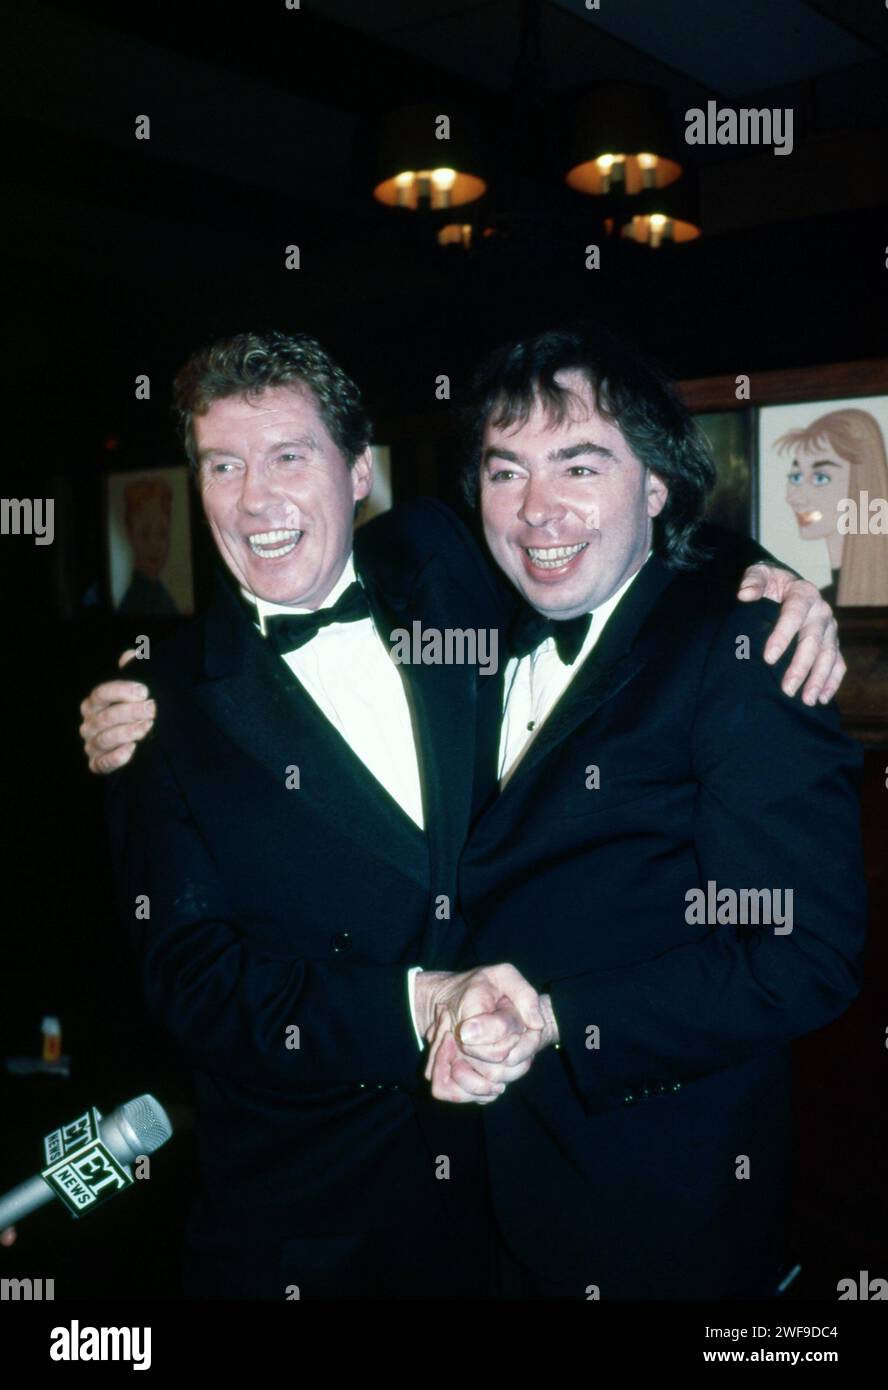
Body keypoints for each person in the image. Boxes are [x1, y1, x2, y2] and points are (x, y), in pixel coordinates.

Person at [80, 326, 845, 1300]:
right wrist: (419, 1005)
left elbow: (608, 539)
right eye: (223, 465)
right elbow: (191, 983)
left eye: (289, 456)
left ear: (360, 473)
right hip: (315, 1215)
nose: (257, 499)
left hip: (543, 1193)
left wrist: (763, 576)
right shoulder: (160, 709)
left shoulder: (440, 564)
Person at [419, 327, 867, 1298]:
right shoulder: (474, 640)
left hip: (655, 1225)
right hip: (472, 1206)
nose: (538, 510)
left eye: (579, 465)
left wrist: (563, 1020)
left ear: (654, 486)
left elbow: (804, 953)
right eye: (507, 473)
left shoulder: (746, 645)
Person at [778, 407, 888, 605]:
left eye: (820, 478)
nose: (795, 497)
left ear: (863, 482)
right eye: (795, 477)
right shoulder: (818, 604)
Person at [117, 477, 179, 616]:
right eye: (145, 534)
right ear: (130, 533)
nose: (155, 546)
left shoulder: (159, 594)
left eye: (162, 534)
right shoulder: (137, 601)